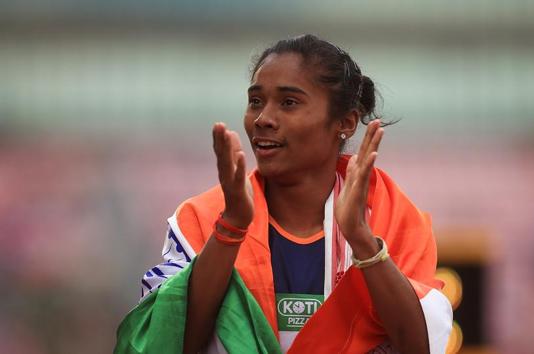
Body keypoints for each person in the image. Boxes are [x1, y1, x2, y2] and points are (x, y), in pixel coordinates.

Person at [115, 34, 452, 354]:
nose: (263, 119)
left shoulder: (392, 220)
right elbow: (167, 341)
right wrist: (231, 228)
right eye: (255, 101)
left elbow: (420, 345)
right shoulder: (201, 221)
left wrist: (362, 242)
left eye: (289, 102)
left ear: (346, 123)